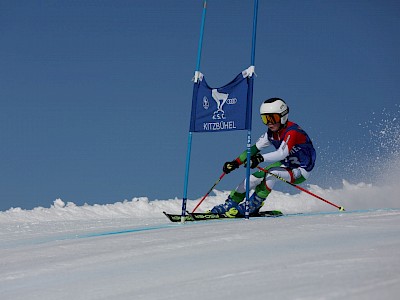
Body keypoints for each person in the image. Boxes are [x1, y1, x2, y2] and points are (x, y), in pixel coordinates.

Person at [210, 97, 316, 217]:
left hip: (300, 170)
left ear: (283, 116)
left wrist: (260, 159)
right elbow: (254, 149)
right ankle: (231, 204)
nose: (269, 122)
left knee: (271, 173)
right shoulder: (270, 133)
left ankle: (253, 204)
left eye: (273, 118)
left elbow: (282, 153)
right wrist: (235, 163)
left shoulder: (292, 131)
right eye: (265, 119)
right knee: (252, 179)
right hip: (285, 165)